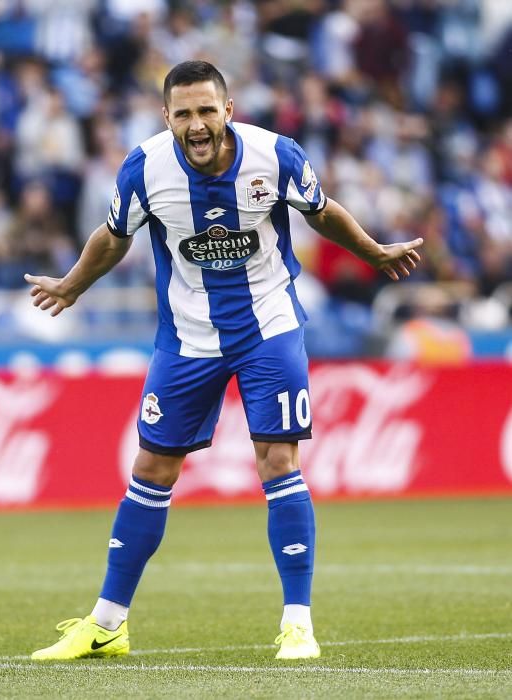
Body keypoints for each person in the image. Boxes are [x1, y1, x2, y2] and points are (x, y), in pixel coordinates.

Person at [24, 61, 423, 661]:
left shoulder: (276, 155)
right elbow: (114, 236)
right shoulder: (144, 168)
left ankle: (297, 624)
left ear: (228, 110)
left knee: (277, 459)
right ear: (167, 119)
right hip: (187, 338)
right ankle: (107, 624)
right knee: (152, 471)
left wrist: (371, 251)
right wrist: (73, 285)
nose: (197, 124)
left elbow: (321, 212)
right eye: (183, 113)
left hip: (268, 327)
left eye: (207, 110)